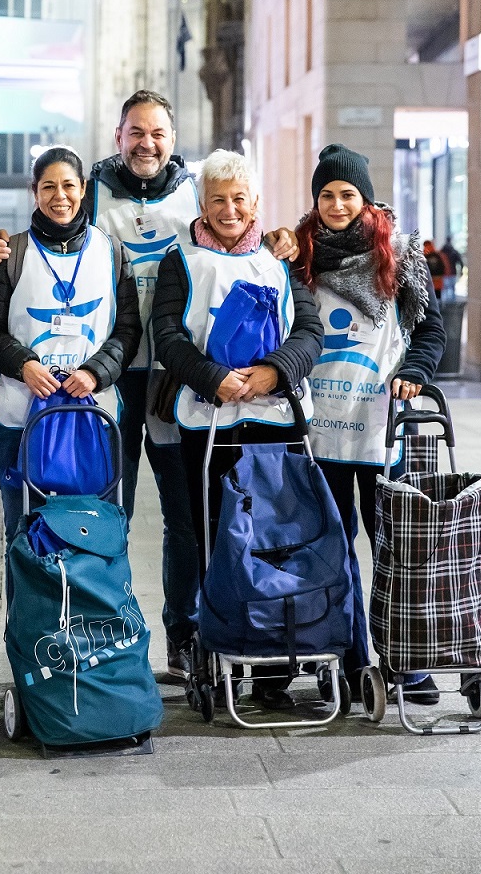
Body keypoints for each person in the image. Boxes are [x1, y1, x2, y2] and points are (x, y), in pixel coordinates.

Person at [0, 90, 202, 679]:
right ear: (117, 136)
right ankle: (95, 629)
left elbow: (243, 229)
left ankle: (183, 634)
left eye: (157, 132)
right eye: (136, 132)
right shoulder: (94, 187)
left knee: (183, 517)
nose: (147, 143)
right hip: (104, 388)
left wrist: (281, 239)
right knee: (103, 513)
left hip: (174, 378)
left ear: (173, 138)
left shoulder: (197, 192)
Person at [151, 149, 324, 708]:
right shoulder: (181, 259)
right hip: (211, 418)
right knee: (215, 539)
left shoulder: (279, 260)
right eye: (218, 199)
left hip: (273, 419)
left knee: (277, 536)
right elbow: (169, 337)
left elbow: (310, 330)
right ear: (202, 202)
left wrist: (275, 372)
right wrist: (215, 377)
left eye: (240, 199)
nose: (230, 209)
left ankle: (274, 661)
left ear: (256, 204)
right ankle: (222, 642)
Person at [292, 143, 446, 705]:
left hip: (382, 430)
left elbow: (431, 331)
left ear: (364, 198)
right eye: (326, 195)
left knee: (395, 548)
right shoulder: (298, 255)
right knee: (330, 548)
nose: (336, 204)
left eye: (346, 194)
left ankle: (407, 663)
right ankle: (349, 660)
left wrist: (415, 372)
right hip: (321, 432)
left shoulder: (400, 252)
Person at [0, 146, 142, 542]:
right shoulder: (9, 254)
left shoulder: (113, 252)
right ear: (33, 191)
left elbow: (127, 332)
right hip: (20, 417)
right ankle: (26, 607)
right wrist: (24, 365)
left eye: (69, 185)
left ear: (84, 189)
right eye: (48, 186)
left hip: (95, 416)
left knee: (93, 531)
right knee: (23, 534)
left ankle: (87, 605)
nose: (60, 196)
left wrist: (95, 372)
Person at [441, 235, 464, 302]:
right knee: (452, 290)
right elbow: (460, 262)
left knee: (445, 290)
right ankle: (452, 305)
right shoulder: (454, 251)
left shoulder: (442, 251)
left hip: (444, 273)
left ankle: (444, 306)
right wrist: (461, 271)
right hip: (452, 272)